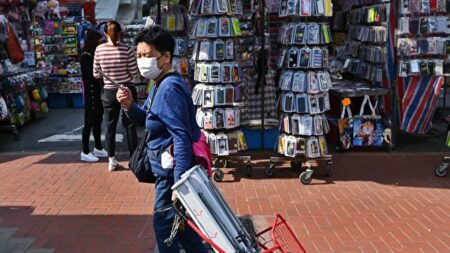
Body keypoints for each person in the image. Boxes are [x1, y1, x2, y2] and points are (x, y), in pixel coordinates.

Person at [116, 26, 208, 253]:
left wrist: (179, 183)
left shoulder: (169, 89)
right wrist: (129, 106)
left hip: (171, 175)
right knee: (180, 227)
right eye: (138, 56)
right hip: (167, 171)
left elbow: (181, 136)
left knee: (164, 226)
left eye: (147, 56)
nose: (141, 61)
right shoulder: (158, 83)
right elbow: (149, 120)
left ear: (166, 57)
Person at [93, 20, 139, 171]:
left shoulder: (99, 50)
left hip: (108, 92)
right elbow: (134, 73)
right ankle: (134, 157)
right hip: (126, 90)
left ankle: (111, 159)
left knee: (110, 126)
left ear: (105, 33)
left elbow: (95, 73)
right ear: (120, 32)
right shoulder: (127, 49)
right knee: (130, 125)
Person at [80, 29, 108, 162]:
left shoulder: (92, 55)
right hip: (91, 93)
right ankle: (85, 151)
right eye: (98, 42)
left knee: (98, 121)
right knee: (89, 122)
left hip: (97, 93)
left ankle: (98, 146)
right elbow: (90, 76)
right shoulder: (86, 56)